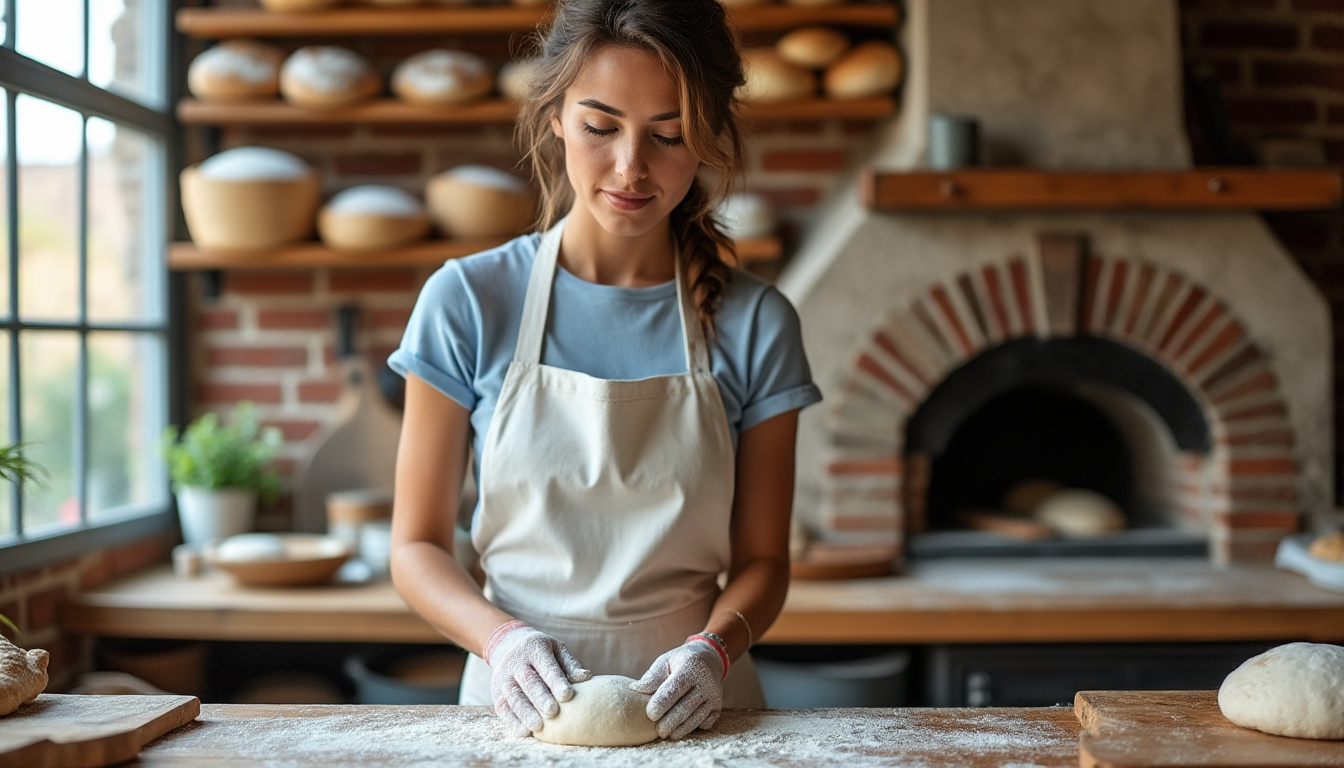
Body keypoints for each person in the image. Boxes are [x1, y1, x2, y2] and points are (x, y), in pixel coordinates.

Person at [387, 0, 822, 741]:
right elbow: (416, 547)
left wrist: (713, 652)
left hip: (700, 713)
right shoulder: (467, 301)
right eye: (600, 126)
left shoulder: (756, 322)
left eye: (669, 135)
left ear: (708, 137)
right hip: (511, 705)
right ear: (556, 116)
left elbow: (762, 561)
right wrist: (503, 642)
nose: (631, 167)